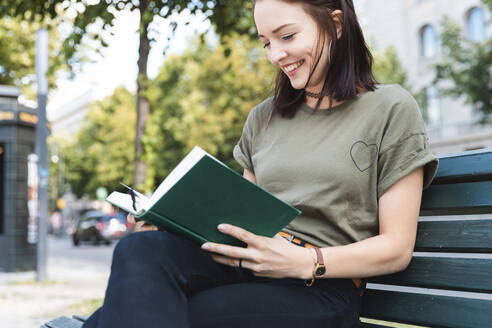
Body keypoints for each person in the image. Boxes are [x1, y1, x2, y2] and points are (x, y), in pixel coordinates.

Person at [83, 0, 438, 327]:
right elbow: (242, 220)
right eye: (266, 42)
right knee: (139, 248)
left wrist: (304, 261)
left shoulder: (390, 108)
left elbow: (396, 247)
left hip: (322, 287)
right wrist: (172, 222)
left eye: (286, 36)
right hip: (249, 268)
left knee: (131, 316)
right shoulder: (263, 118)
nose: (275, 55)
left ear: (336, 25)